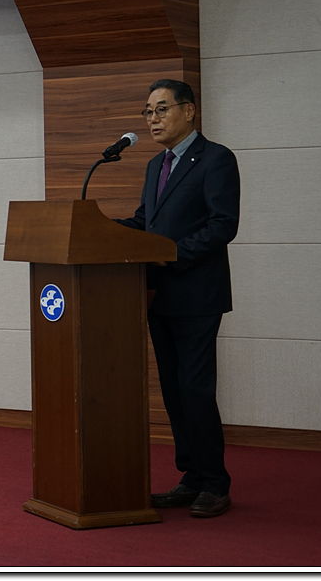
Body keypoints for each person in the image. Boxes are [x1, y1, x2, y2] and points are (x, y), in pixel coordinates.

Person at [117, 78, 240, 518]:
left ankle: (215, 483)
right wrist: (101, 228)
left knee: (194, 389)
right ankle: (191, 477)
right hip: (160, 295)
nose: (153, 119)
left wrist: (172, 254)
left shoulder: (216, 159)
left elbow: (223, 225)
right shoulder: (156, 165)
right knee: (173, 390)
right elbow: (145, 222)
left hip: (198, 294)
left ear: (189, 111)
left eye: (161, 109)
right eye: (148, 112)